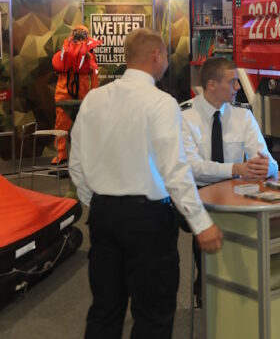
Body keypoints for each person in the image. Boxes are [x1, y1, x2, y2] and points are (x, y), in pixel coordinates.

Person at [69, 28, 223, 339]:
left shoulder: (94, 99)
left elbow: (76, 164)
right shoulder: (162, 102)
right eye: (165, 55)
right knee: (153, 314)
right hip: (148, 221)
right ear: (156, 56)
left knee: (104, 310)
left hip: (103, 216)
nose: (166, 61)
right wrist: (200, 222)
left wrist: (101, 201)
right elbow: (174, 169)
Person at [180, 57, 278, 306]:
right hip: (199, 196)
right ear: (212, 84)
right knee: (209, 229)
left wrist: (267, 166)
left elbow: (268, 160)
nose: (237, 87)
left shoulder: (242, 117)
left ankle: (242, 294)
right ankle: (207, 287)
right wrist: (236, 168)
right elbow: (193, 168)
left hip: (236, 195)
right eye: (232, 81)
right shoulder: (184, 116)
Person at [51, 24, 101, 165]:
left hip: (81, 91)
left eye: (83, 33)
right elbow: (58, 65)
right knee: (61, 123)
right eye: (77, 33)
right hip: (64, 91)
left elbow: (94, 72)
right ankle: (61, 153)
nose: (80, 36)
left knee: (84, 123)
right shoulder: (65, 48)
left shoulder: (90, 52)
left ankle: (85, 155)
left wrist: (94, 92)